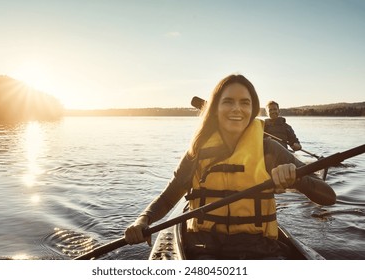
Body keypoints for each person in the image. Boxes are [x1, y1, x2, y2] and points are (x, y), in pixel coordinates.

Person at [124, 74, 336, 259]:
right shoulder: (197, 150)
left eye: (245, 102)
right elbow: (170, 196)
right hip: (203, 249)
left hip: (261, 251)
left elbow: (328, 197)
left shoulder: (269, 149)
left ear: (252, 109)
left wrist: (297, 178)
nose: (237, 108)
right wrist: (143, 219)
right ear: (215, 108)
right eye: (228, 101)